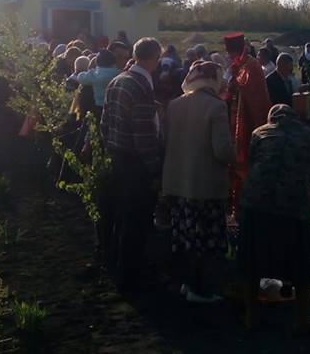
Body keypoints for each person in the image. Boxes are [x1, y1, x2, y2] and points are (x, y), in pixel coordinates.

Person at [238, 104, 310, 333]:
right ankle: (302, 320)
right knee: (300, 263)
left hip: (257, 203)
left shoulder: (260, 132)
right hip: (294, 205)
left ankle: (251, 316)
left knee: (251, 261)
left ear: (271, 119)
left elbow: (252, 162)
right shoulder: (308, 134)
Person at [162, 61, 236, 303]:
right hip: (204, 185)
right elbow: (222, 150)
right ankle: (202, 290)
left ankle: (187, 284)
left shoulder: (174, 105)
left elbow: (164, 141)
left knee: (185, 237)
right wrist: (238, 154)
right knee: (206, 240)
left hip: (177, 182)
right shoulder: (216, 106)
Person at [99, 37, 163, 293]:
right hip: (135, 163)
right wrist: (155, 168)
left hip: (117, 156)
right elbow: (143, 134)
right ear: (154, 58)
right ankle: (129, 278)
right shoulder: (140, 85)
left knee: (121, 217)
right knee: (135, 222)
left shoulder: (118, 80)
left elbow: (105, 122)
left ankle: (116, 266)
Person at [223, 32, 272, 212]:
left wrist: (236, 85)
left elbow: (256, 99)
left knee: (245, 162)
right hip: (235, 120)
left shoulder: (252, 66)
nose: (228, 56)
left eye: (229, 52)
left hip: (248, 122)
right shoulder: (239, 65)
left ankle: (246, 206)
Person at [74, 49, 120, 120]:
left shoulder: (94, 75)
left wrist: (91, 70)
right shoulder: (118, 73)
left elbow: (80, 77)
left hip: (99, 106)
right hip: (115, 106)